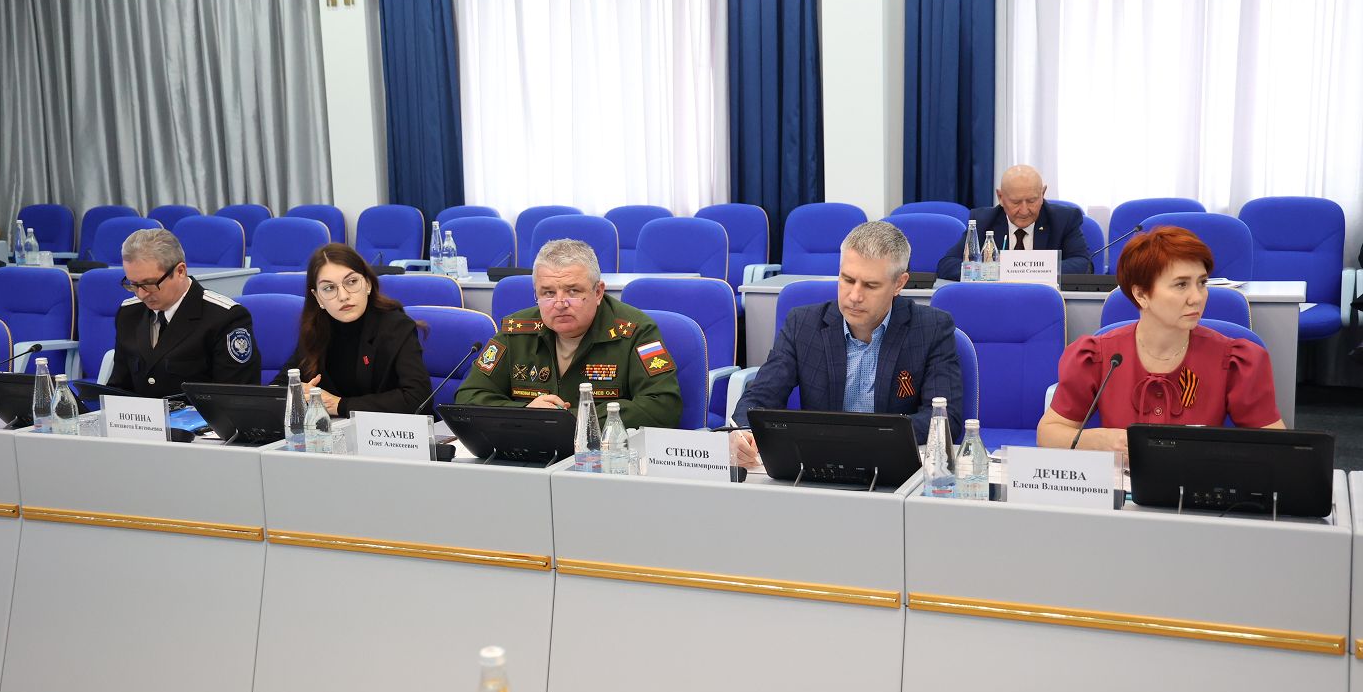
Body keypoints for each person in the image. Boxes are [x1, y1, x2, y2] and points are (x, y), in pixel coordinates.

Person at [731, 221, 963, 468]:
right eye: (847, 279)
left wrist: (863, 438)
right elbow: (761, 396)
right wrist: (743, 431)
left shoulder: (931, 328)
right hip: (819, 466)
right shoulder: (803, 324)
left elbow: (945, 419)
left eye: (870, 285)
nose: (854, 296)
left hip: (892, 465)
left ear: (899, 283)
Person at [1037, 226, 1285, 451]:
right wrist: (1100, 441)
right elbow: (1049, 434)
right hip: (1121, 484)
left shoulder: (1232, 360)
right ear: (1141, 294)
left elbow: (1276, 447)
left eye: (1202, 283)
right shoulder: (1100, 357)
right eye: (1181, 285)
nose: (1197, 298)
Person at [455, 238, 682, 428]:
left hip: (605, 453)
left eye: (573, 291)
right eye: (548, 293)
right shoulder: (516, 331)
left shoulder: (635, 331)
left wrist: (570, 420)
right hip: (532, 451)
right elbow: (468, 397)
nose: (560, 303)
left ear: (598, 292)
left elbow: (663, 406)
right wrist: (525, 412)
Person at [272, 243, 432, 416]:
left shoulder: (395, 327)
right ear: (318, 298)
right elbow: (277, 389)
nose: (343, 296)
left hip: (389, 430)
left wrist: (339, 405)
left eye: (352, 282)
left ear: (368, 284)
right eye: (329, 288)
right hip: (333, 430)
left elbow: (418, 399)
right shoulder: (317, 329)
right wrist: (296, 393)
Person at [108, 228, 260, 396]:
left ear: (180, 271)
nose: (141, 294)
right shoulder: (129, 313)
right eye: (133, 284)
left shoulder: (224, 318)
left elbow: (235, 398)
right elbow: (119, 388)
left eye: (149, 283)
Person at [937, 164, 1093, 279]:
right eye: (1016, 202)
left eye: (1032, 201)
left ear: (1043, 193)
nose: (1024, 210)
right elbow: (947, 265)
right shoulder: (983, 221)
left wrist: (1026, 270)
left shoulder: (1064, 219)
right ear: (1001, 197)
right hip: (996, 299)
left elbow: (1084, 264)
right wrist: (994, 271)